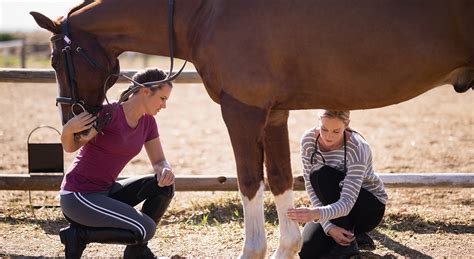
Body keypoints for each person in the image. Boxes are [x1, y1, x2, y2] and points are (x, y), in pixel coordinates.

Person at [58, 68, 175, 259]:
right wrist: (67, 130)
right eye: (162, 98)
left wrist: (165, 170)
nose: (164, 105)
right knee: (145, 229)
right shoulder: (109, 113)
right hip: (78, 195)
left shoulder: (148, 123)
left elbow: (159, 161)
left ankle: (136, 253)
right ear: (146, 91)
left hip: (105, 191)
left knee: (164, 186)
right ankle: (78, 236)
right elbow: (71, 147)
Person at [288, 110, 388, 258]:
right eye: (324, 129)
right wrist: (329, 227)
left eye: (336, 131)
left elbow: (347, 203)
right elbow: (311, 187)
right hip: (334, 208)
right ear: (319, 121)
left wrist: (314, 214)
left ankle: (349, 245)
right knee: (307, 251)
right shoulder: (309, 140)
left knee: (320, 174)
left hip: (367, 207)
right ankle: (349, 235)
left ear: (346, 125)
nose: (328, 136)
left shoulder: (358, 147)